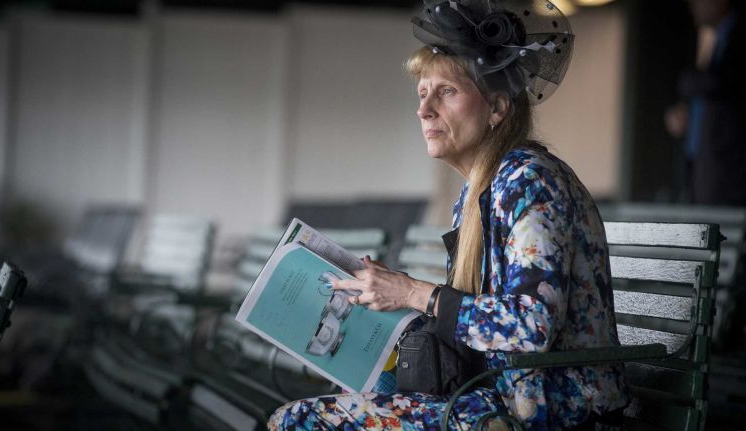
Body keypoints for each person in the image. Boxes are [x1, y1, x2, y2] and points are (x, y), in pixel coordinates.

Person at [268, 1, 628, 430]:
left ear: (497, 108)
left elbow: (531, 327)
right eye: (423, 94)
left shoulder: (531, 181)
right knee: (341, 398)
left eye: (447, 91)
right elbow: (474, 319)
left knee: (299, 422)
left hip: (552, 407)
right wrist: (388, 297)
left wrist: (413, 293)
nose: (424, 110)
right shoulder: (481, 189)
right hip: (497, 394)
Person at [664, 0, 746, 205]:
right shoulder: (714, 39)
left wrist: (693, 83)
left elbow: (729, 84)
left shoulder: (737, 34)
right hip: (703, 166)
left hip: (729, 172)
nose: (693, 5)